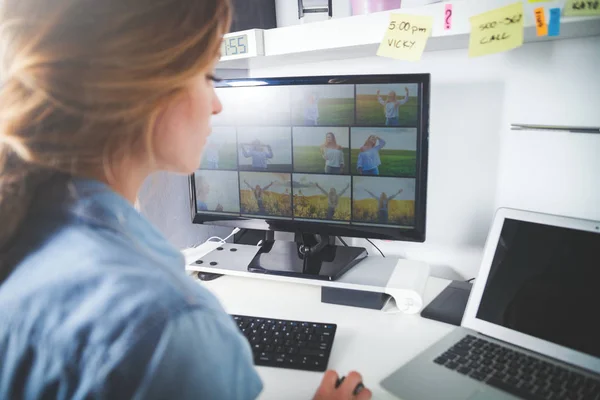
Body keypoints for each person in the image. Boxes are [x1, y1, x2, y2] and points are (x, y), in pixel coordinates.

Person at [0, 0, 371, 399]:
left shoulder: (27, 230)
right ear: (147, 90)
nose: (217, 104)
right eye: (207, 75)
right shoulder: (168, 325)